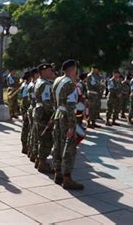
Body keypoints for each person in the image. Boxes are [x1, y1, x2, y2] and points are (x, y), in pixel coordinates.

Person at [52, 59, 84, 190]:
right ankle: (67, 178)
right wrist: (71, 126)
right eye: (75, 68)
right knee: (68, 147)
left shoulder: (58, 80)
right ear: (72, 69)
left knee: (59, 145)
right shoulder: (70, 84)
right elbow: (71, 107)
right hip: (66, 117)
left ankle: (58, 173)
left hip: (58, 114)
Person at [33, 63, 54, 173]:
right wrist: (52, 115)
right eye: (49, 70)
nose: (51, 72)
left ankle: (38, 159)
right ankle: (42, 163)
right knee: (46, 139)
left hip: (38, 111)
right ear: (43, 72)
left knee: (39, 137)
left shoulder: (37, 82)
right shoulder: (45, 84)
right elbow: (46, 102)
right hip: (44, 114)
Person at [19, 71, 32, 153]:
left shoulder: (24, 84)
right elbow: (25, 99)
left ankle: (25, 146)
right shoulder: (27, 86)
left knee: (26, 127)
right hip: (26, 107)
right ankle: (25, 146)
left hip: (24, 107)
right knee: (27, 128)